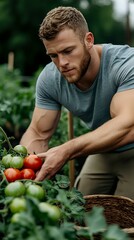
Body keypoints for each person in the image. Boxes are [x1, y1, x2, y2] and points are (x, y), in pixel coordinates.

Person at [20, 6, 134, 199]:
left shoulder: (125, 64)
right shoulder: (50, 79)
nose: (62, 63)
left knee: (125, 217)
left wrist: (67, 150)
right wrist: (24, 171)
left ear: (88, 40)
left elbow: (127, 123)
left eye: (68, 51)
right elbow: (38, 134)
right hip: (102, 149)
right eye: (53, 55)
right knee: (79, 209)